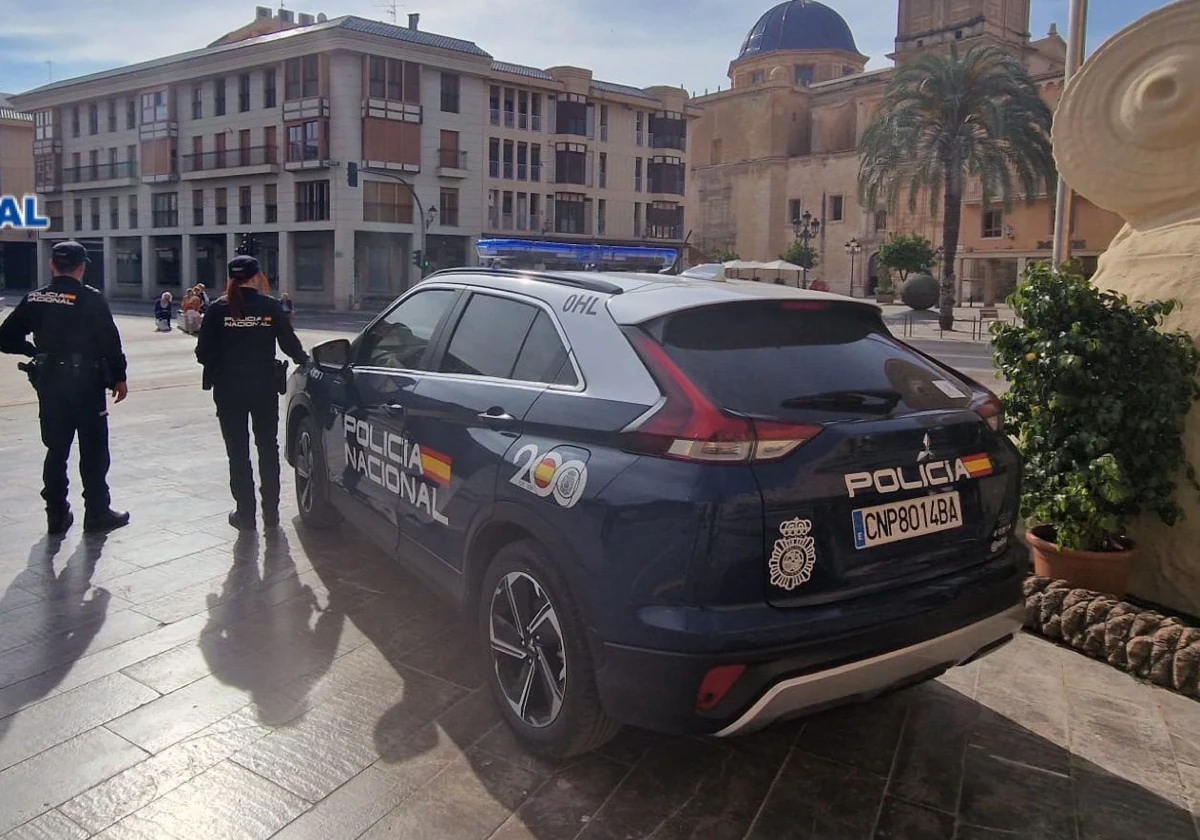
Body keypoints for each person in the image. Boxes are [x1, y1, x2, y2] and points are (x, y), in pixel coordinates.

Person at [0, 241, 131, 535]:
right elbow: (110, 341)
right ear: (82, 267)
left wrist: (34, 352)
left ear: (51, 265)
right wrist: (119, 376)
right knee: (94, 450)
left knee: (56, 449)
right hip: (85, 383)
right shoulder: (89, 298)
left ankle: (56, 514)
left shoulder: (35, 298)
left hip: (50, 383)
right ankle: (97, 512)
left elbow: (4, 338)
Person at [196, 255, 308, 531]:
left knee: (238, 451)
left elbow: (202, 353)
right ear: (257, 277)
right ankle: (271, 514)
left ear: (231, 278)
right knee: (268, 448)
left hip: (228, 389)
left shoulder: (217, 309)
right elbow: (291, 347)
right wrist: (307, 361)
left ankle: (245, 514)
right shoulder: (269, 307)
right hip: (264, 387)